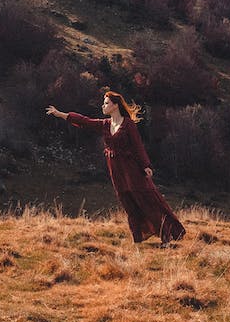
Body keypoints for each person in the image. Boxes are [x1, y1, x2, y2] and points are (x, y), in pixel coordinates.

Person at [46, 91, 185, 245]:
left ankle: (166, 236)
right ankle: (137, 239)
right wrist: (60, 114)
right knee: (128, 203)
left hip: (131, 168)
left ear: (115, 105)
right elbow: (85, 121)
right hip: (116, 170)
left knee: (145, 201)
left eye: (106, 103)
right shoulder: (105, 124)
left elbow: (137, 146)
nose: (103, 106)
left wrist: (146, 165)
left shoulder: (128, 124)